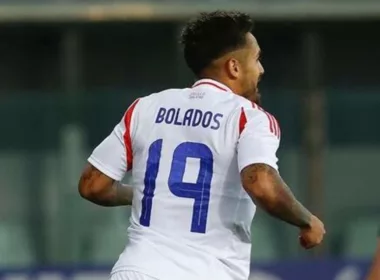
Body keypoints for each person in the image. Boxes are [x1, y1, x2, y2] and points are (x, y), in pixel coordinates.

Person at [78, 11, 325, 280]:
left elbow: (93, 185)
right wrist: (307, 220)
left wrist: (146, 192)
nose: (262, 69)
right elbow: (260, 182)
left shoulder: (145, 108)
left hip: (135, 271)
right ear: (234, 67)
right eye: (257, 59)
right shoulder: (248, 117)